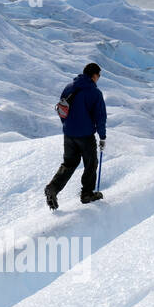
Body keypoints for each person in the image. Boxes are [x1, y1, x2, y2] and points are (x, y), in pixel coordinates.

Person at [45, 63, 106, 209]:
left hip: (69, 134)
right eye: (99, 76)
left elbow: (62, 109)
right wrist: (102, 136)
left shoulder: (69, 87)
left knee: (69, 164)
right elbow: (100, 117)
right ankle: (87, 194)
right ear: (94, 75)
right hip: (85, 135)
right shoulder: (94, 92)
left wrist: (67, 125)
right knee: (91, 163)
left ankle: (53, 188)